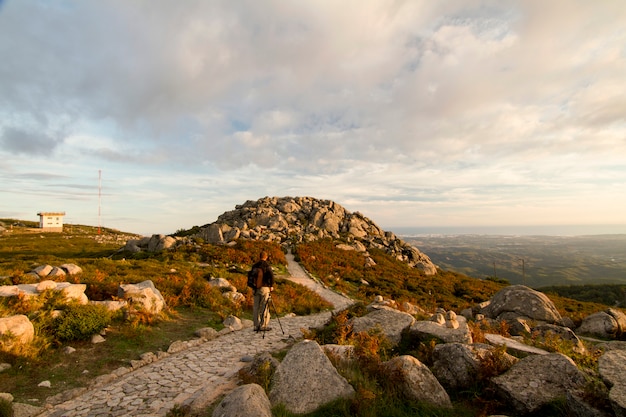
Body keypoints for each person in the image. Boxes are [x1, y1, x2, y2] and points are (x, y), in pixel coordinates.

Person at [252, 250, 275, 332]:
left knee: (255, 307)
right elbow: (271, 275)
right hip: (264, 288)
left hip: (255, 288)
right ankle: (263, 325)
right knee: (264, 306)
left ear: (259, 256)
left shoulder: (255, 266)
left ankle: (256, 325)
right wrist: (271, 285)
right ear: (266, 257)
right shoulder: (267, 265)